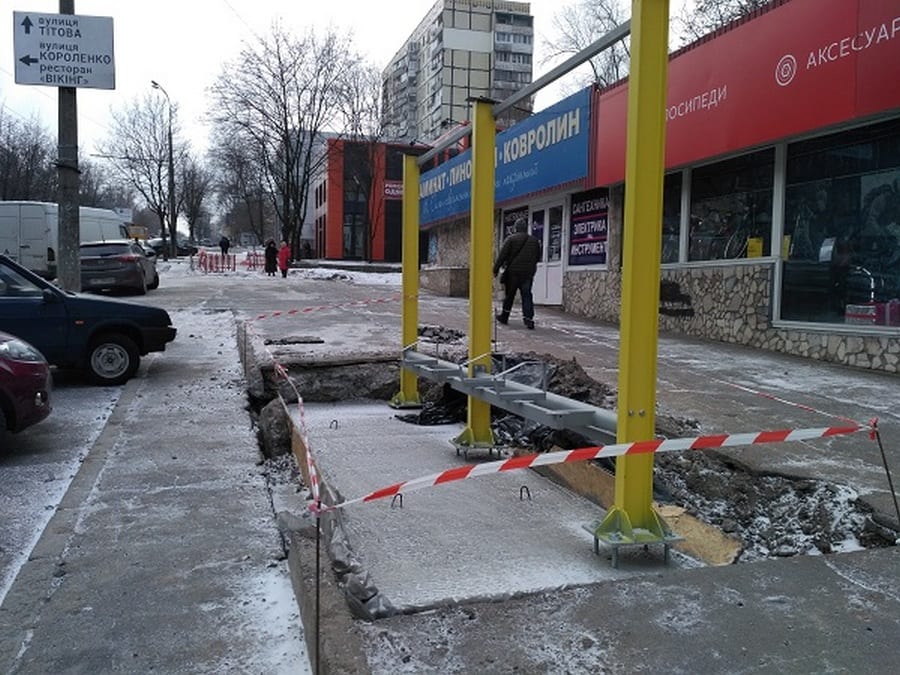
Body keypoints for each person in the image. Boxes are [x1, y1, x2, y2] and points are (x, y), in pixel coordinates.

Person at [493, 217, 542, 329]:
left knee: (509, 295)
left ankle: (504, 316)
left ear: (516, 228)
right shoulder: (534, 241)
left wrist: (495, 269)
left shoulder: (510, 239)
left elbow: (502, 256)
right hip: (527, 274)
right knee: (527, 295)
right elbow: (537, 257)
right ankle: (529, 319)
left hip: (513, 273)